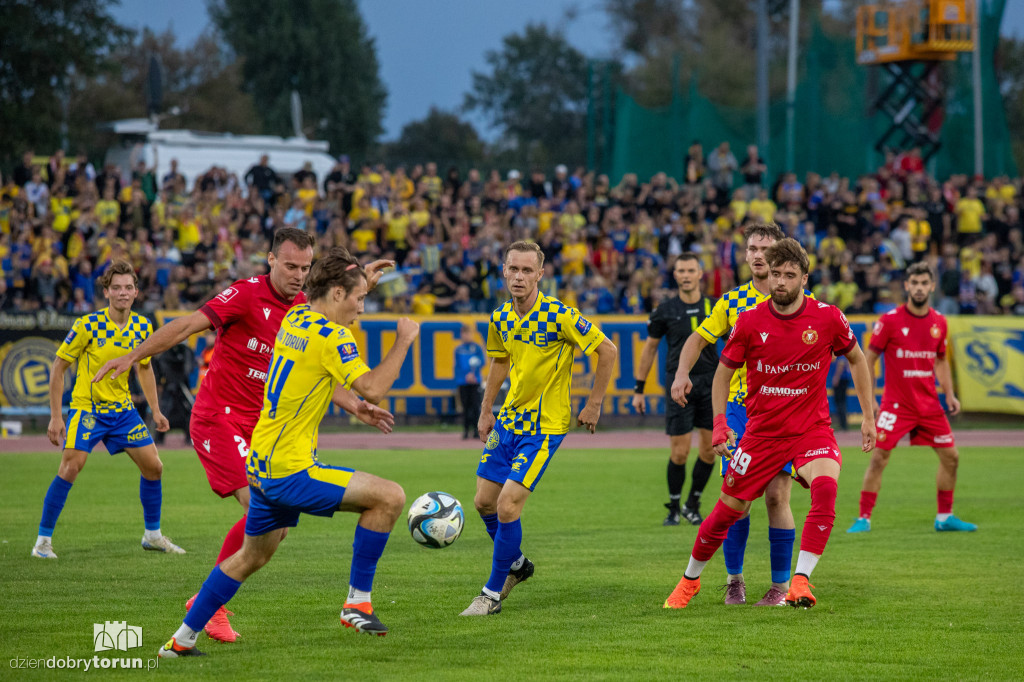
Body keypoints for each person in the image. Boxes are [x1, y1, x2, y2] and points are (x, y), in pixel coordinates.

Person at [94, 229, 393, 642]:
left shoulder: (305, 311)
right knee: (257, 505)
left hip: (262, 430)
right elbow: (186, 327)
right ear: (270, 260)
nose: (298, 275)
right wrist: (133, 355)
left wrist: (355, 405)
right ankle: (210, 607)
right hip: (220, 418)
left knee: (275, 529)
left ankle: (200, 612)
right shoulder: (246, 294)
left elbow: (315, 370)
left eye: (305, 268)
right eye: (290, 266)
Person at [158, 249, 419, 658]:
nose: (361, 308)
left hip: (261, 463)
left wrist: (361, 279)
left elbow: (329, 299)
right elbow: (372, 387)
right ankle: (357, 604)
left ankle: (181, 639)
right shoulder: (332, 336)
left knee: (250, 556)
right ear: (336, 293)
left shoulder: (294, 318)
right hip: (291, 470)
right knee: (391, 496)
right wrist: (403, 340)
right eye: (359, 299)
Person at [663, 238, 877, 610]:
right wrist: (718, 424)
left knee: (825, 487)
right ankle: (690, 580)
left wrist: (869, 417)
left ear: (804, 278)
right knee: (726, 512)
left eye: (789, 275)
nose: (780, 282)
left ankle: (798, 581)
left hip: (811, 430)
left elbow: (858, 360)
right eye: (775, 274)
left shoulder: (828, 317)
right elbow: (721, 375)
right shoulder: (749, 319)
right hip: (761, 433)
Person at [461, 240, 618, 616]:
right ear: (504, 270)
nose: (519, 277)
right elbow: (499, 362)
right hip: (509, 420)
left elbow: (608, 350)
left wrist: (594, 403)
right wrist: (486, 410)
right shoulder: (500, 318)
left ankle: (491, 593)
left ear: (540, 275)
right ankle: (517, 565)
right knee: (483, 502)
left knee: (507, 505)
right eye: (513, 269)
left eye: (527, 271)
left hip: (544, 426)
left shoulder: (560, 315)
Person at [670, 222, 799, 607]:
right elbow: (698, 338)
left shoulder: (797, 296)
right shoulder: (732, 302)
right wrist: (681, 373)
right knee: (736, 497)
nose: (758, 254)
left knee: (777, 496)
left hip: (782, 411)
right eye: (752, 248)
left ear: (782, 253)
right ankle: (734, 580)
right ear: (745, 255)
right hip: (740, 410)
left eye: (766, 248)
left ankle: (779, 587)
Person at [32, 260, 184, 559]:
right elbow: (59, 368)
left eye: (128, 287)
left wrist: (155, 410)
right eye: (116, 288)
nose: (123, 293)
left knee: (154, 467)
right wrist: (55, 416)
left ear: (136, 292)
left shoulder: (143, 326)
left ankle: (152, 535)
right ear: (106, 292)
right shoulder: (87, 325)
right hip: (88, 409)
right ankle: (42, 542)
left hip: (123, 411)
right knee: (71, 466)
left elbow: (144, 369)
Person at [847, 262, 976, 533]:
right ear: (906, 286)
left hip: (929, 404)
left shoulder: (939, 322)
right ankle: (863, 518)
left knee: (952, 457)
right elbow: (867, 359)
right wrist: (871, 401)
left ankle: (944, 517)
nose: (918, 288)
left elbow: (941, 360)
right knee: (879, 457)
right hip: (897, 405)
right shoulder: (890, 320)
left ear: (931, 286)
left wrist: (949, 394)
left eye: (923, 283)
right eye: (914, 283)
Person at [632, 253, 718, 526]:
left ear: (700, 273)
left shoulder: (716, 308)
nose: (685, 275)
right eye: (680, 270)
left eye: (690, 270)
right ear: (675, 274)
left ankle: (692, 503)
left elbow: (738, 345)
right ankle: (673, 505)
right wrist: (639, 389)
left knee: (709, 450)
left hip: (710, 383)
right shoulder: (665, 310)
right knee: (679, 452)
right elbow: (650, 349)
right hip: (678, 384)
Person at [454, 323, 485, 440]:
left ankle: (477, 431)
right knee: (465, 406)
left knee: (476, 406)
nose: (466, 336)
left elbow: (482, 362)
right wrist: (465, 375)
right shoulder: (459, 349)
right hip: (463, 381)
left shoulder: (477, 348)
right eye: (464, 333)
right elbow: (458, 366)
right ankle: (466, 430)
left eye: (468, 333)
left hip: (475, 381)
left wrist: (473, 374)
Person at [831, 353, 851, 431]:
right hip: (844, 379)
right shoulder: (842, 353)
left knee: (840, 402)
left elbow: (841, 363)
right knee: (841, 402)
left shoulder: (839, 352)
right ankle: (843, 424)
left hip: (841, 380)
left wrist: (836, 377)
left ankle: (843, 424)